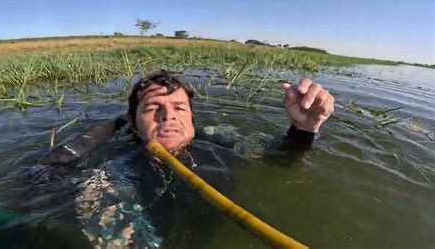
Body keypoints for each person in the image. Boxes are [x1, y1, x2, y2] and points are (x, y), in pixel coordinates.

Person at [40, 70, 335, 248]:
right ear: (133, 123)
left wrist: (303, 130)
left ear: (193, 119)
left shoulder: (220, 137)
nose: (168, 115)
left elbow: (281, 160)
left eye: (179, 108)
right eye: (153, 107)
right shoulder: (112, 169)